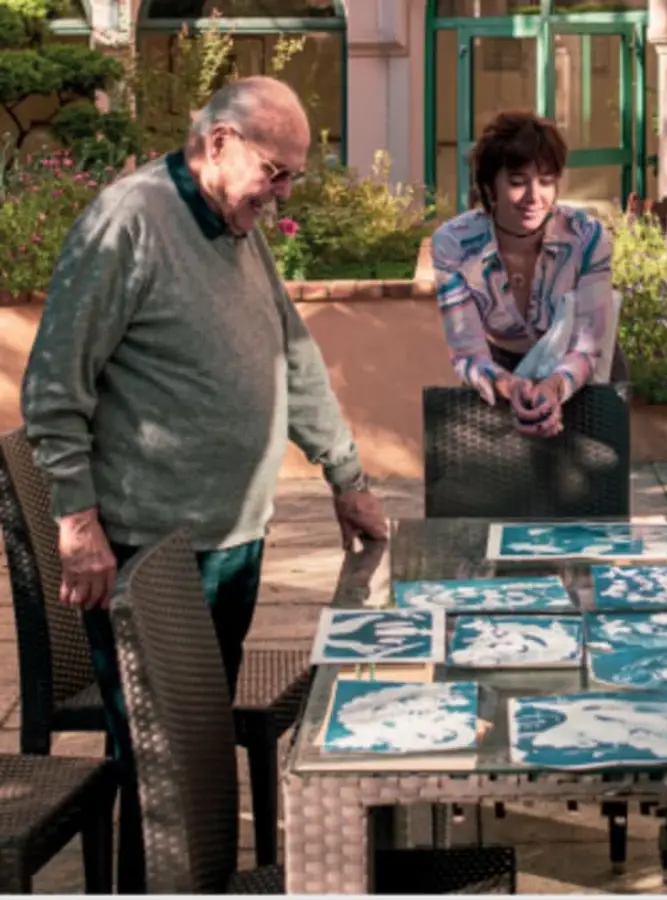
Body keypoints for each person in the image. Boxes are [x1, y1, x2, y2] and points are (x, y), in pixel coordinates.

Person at [20, 76, 387, 891]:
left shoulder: (235, 223)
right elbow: (53, 388)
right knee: (162, 772)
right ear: (218, 142)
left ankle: (194, 882)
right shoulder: (128, 222)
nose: (284, 193)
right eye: (276, 172)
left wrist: (346, 474)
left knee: (193, 755)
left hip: (232, 542)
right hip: (149, 554)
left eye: (295, 177)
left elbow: (291, 356)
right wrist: (76, 524)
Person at [431, 110, 624, 437]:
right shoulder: (454, 244)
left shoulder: (587, 237)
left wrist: (554, 387)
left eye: (547, 181)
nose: (535, 197)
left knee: (593, 480)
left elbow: (588, 345)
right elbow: (467, 352)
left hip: (582, 370)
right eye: (518, 182)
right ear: (490, 187)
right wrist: (509, 384)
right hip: (500, 368)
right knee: (505, 482)